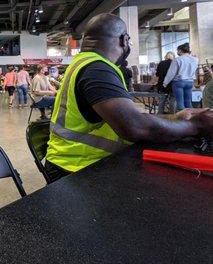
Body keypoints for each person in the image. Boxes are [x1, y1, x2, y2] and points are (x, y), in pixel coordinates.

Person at [45, 13, 213, 182]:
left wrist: (175, 117)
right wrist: (195, 125)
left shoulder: (84, 63)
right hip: (75, 170)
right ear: (124, 40)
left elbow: (128, 116)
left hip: (75, 163)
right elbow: (135, 127)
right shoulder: (96, 70)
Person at [163, 43, 198, 110]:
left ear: (180, 50)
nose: (177, 52)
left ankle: (182, 119)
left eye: (178, 50)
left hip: (179, 82)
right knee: (188, 102)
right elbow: (195, 71)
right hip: (190, 82)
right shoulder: (195, 59)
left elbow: (171, 73)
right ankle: (190, 118)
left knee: (180, 103)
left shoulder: (177, 59)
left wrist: (165, 82)